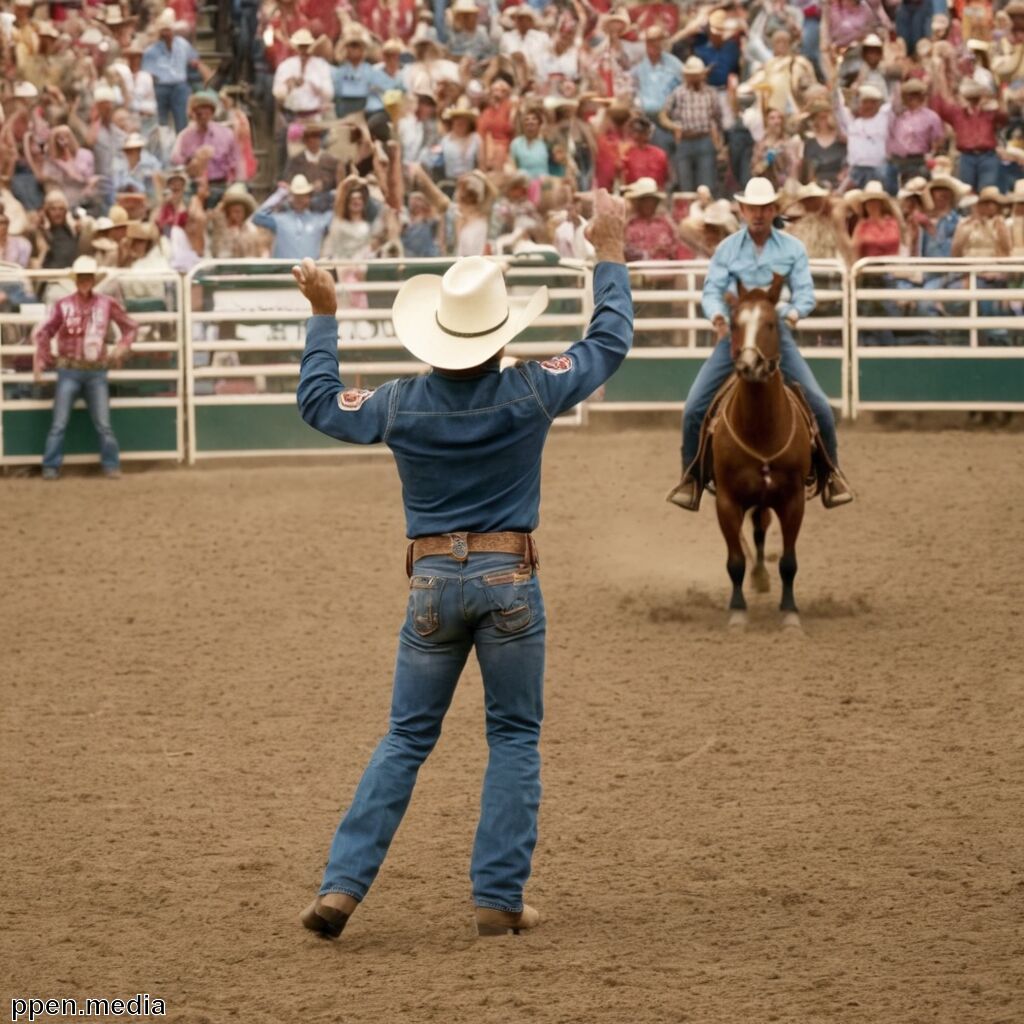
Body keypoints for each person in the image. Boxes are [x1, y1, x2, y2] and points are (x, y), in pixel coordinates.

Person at [293, 187, 633, 941]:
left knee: (405, 737)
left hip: (431, 585)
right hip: (510, 577)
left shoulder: (399, 403)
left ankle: (342, 889)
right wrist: (607, 251)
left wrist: (323, 315)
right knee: (513, 735)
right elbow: (607, 343)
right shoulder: (530, 390)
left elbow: (318, 401)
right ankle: (497, 897)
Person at [666, 177, 853, 512]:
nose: (758, 214)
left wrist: (793, 314)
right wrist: (719, 319)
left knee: (820, 406)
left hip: (774, 334)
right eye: (752, 207)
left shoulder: (792, 249)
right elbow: (712, 291)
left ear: (773, 210)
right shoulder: (727, 250)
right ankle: (691, 477)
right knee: (694, 407)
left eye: (765, 208)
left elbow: (805, 292)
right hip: (735, 335)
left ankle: (831, 474)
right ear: (742, 210)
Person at [32, 255, 138, 480]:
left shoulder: (106, 303)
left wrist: (121, 347)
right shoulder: (64, 305)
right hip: (70, 369)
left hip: (94, 370)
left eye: (88, 276)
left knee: (102, 424)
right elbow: (45, 332)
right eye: (82, 277)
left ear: (93, 278)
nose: (85, 280)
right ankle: (52, 466)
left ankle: (108, 465)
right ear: (77, 279)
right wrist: (44, 357)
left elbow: (130, 327)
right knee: (60, 423)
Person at [251, 174, 335, 259]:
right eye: (296, 195)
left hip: (308, 270)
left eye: (303, 195)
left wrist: (325, 194)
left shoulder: (319, 220)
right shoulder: (280, 219)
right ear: (291, 197)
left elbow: (338, 214)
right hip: (283, 270)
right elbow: (257, 217)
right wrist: (280, 194)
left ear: (309, 197)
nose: (299, 199)